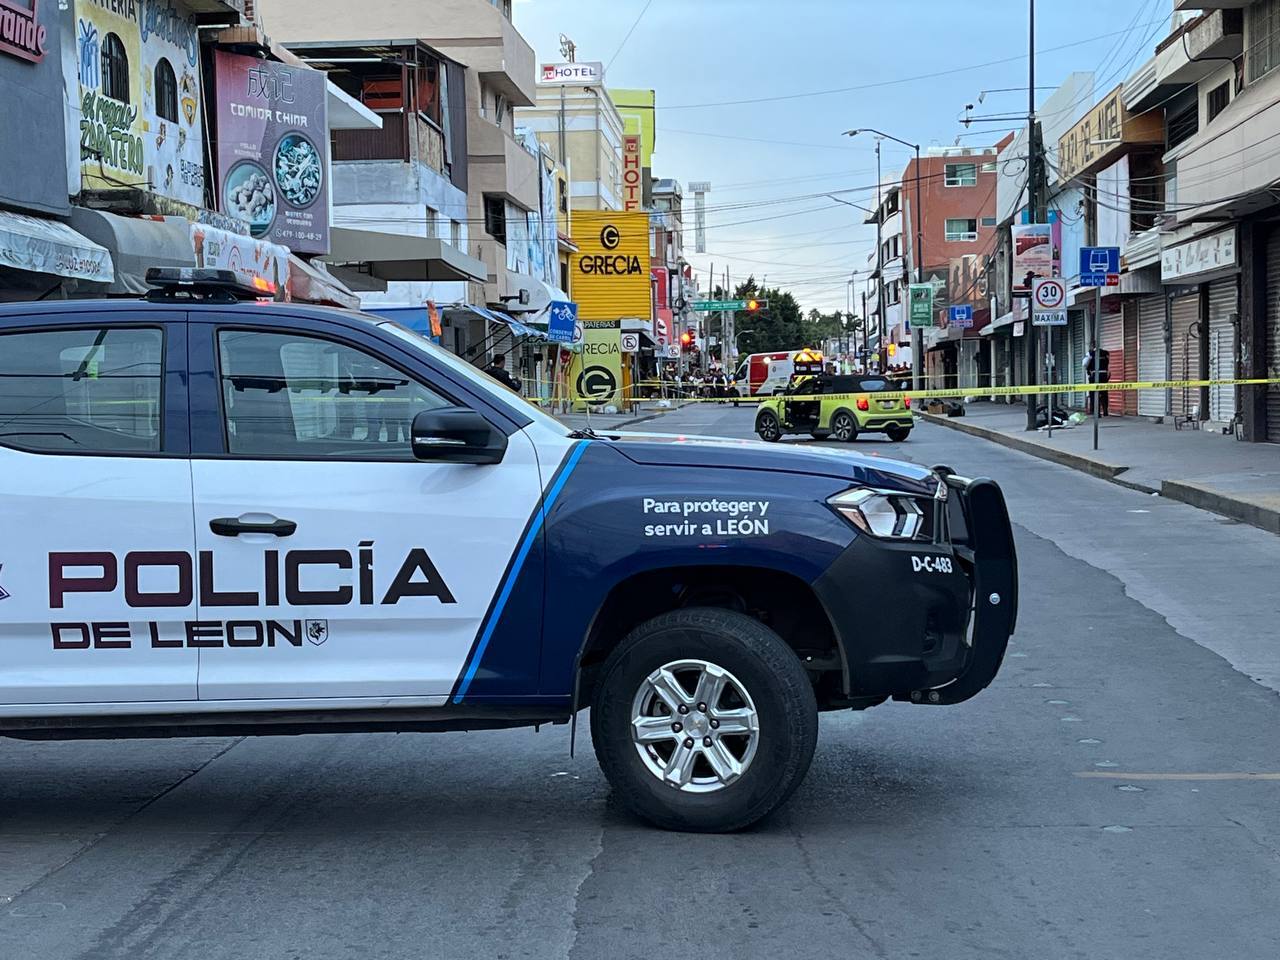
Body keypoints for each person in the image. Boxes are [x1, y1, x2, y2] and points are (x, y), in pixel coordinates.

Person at [1084, 340, 1111, 416]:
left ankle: (1097, 413)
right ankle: (1105, 411)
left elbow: (1085, 364)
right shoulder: (1105, 353)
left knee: (1094, 394)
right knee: (1104, 393)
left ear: (1092, 346)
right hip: (1104, 375)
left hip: (1095, 375)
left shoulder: (1090, 353)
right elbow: (1108, 364)